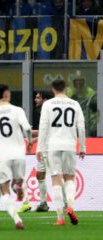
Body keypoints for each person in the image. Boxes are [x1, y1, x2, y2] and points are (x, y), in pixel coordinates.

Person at [0, 84, 33, 230]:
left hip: (2, 155)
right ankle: (18, 185)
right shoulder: (17, 110)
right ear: (5, 94)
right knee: (17, 181)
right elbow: (27, 128)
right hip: (19, 154)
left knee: (4, 191)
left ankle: (17, 219)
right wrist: (29, 141)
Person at [36, 79, 86, 226]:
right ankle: (70, 207)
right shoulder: (75, 104)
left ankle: (60, 218)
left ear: (53, 89)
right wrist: (82, 147)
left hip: (53, 146)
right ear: (66, 88)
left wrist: (39, 148)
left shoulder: (48, 104)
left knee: (56, 180)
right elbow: (81, 127)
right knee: (70, 178)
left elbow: (43, 127)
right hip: (70, 145)